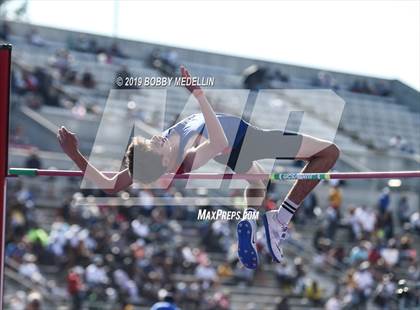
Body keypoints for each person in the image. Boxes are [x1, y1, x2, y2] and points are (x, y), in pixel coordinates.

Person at [57, 66, 340, 269]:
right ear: (163, 160)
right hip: (245, 137)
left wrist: (75, 154)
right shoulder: (182, 160)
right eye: (154, 144)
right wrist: (200, 96)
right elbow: (219, 141)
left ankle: (251, 219)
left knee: (258, 181)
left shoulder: (154, 161)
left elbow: (110, 184)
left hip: (231, 147)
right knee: (328, 153)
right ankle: (280, 219)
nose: (156, 137)